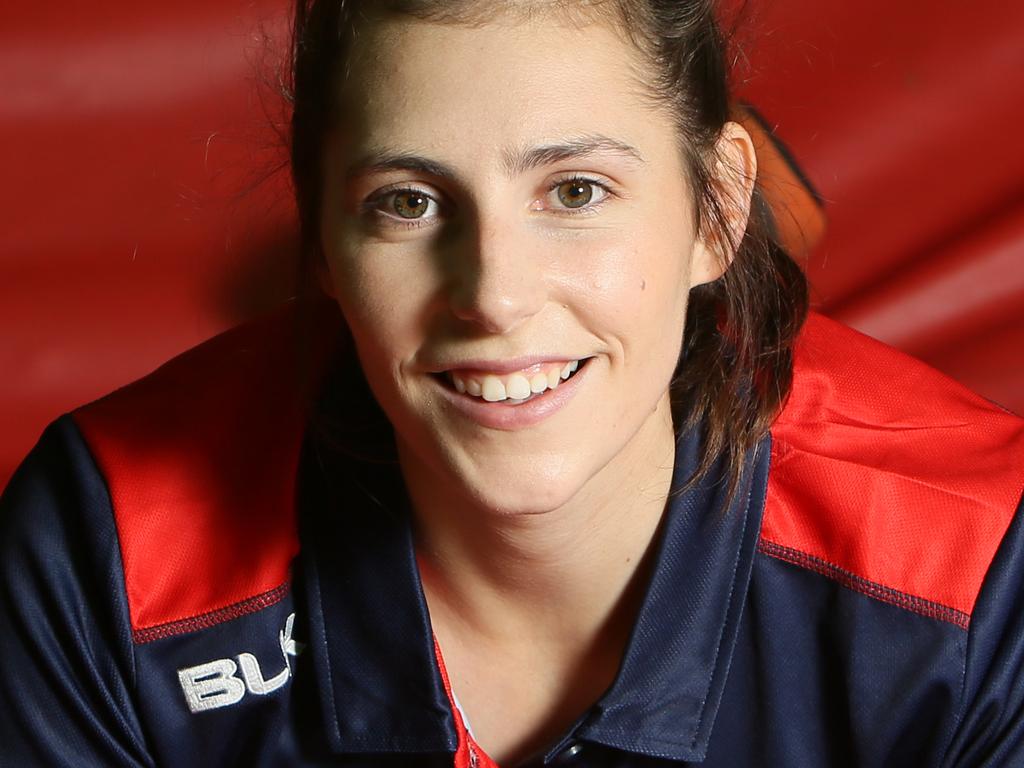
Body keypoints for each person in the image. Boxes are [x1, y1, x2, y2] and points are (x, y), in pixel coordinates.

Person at [2, 1, 1023, 766]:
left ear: (715, 209)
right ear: (322, 243)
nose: (492, 296)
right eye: (406, 203)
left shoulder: (972, 565)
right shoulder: (112, 548)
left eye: (574, 191)